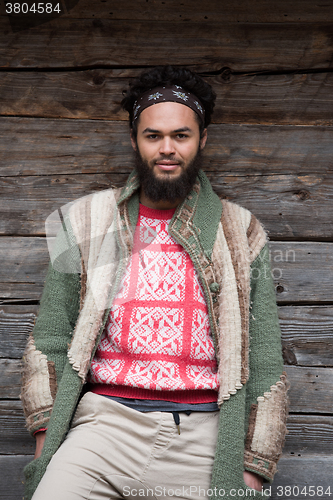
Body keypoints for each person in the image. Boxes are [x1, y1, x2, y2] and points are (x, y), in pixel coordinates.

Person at [21, 65, 288, 500]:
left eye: (181, 135)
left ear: (202, 140)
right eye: (153, 136)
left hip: (203, 437)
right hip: (102, 428)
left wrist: (251, 472)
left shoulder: (241, 232)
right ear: (134, 140)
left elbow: (263, 358)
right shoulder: (87, 221)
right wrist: (46, 447)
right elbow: (50, 337)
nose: (167, 148)